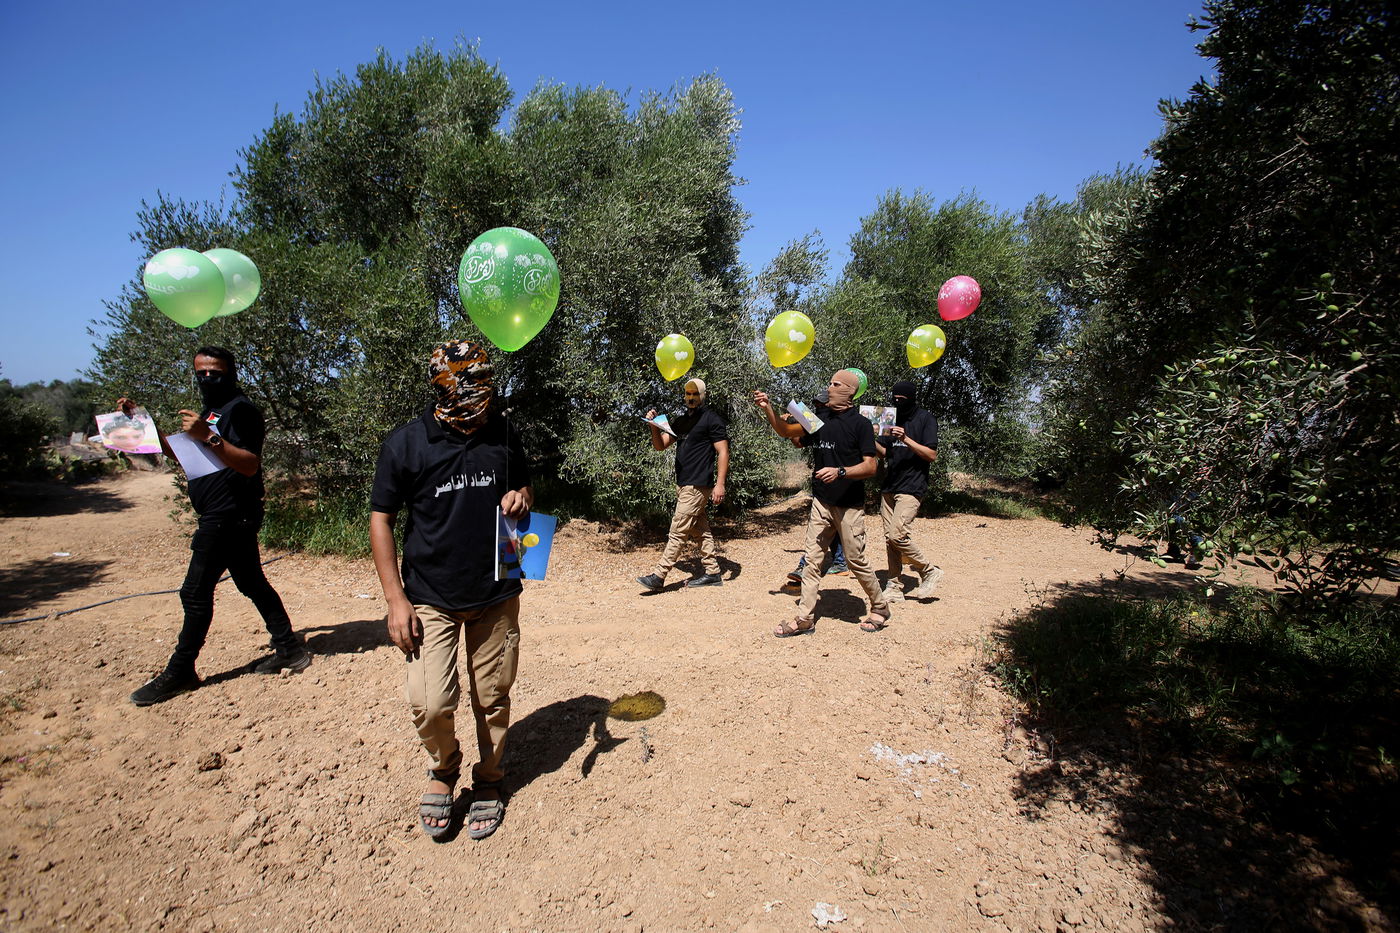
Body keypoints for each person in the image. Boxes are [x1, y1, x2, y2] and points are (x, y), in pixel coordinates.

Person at [369, 340, 533, 841]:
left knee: (493, 696)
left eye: (486, 389)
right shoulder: (406, 443)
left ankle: (490, 778)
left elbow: (527, 489)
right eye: (471, 390)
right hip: (429, 597)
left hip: (497, 589)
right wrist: (396, 599)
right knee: (430, 702)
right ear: (446, 388)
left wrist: (522, 497)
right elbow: (381, 519)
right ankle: (444, 769)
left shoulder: (503, 430)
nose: (480, 403)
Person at [127, 347, 310, 707]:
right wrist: (137, 422)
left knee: (194, 593)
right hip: (221, 511)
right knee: (252, 582)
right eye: (201, 373)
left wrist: (206, 435)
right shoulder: (210, 412)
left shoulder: (240, 411)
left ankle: (181, 669)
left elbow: (249, 464)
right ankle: (289, 648)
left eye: (215, 372)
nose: (208, 378)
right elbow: (182, 453)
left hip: (229, 513)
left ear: (231, 372)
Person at [754, 370, 892, 636]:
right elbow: (785, 431)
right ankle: (804, 618)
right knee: (813, 560)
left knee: (855, 560)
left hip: (849, 505)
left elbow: (870, 466)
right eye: (829, 382)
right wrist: (768, 408)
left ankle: (880, 606)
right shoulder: (818, 418)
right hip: (822, 502)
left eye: (836, 384)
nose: (829, 387)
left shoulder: (861, 424)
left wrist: (840, 471)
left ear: (850, 391)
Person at [636, 377, 729, 590]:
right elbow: (661, 446)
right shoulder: (680, 422)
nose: (691, 398)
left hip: (698, 485)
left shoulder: (711, 419)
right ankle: (713, 572)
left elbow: (723, 451)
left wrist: (720, 484)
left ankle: (659, 576)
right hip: (684, 484)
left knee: (678, 530)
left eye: (695, 394)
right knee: (700, 530)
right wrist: (653, 427)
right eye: (688, 394)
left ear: (703, 396)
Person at [873, 380, 944, 601]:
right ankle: (894, 586)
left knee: (897, 534)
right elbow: (884, 452)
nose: (897, 402)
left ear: (912, 398)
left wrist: (906, 439)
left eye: (902, 399)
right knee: (889, 539)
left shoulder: (925, 419)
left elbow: (931, 455)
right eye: (895, 398)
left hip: (912, 486)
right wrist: (868, 437)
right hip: (889, 485)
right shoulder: (889, 417)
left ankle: (929, 570)